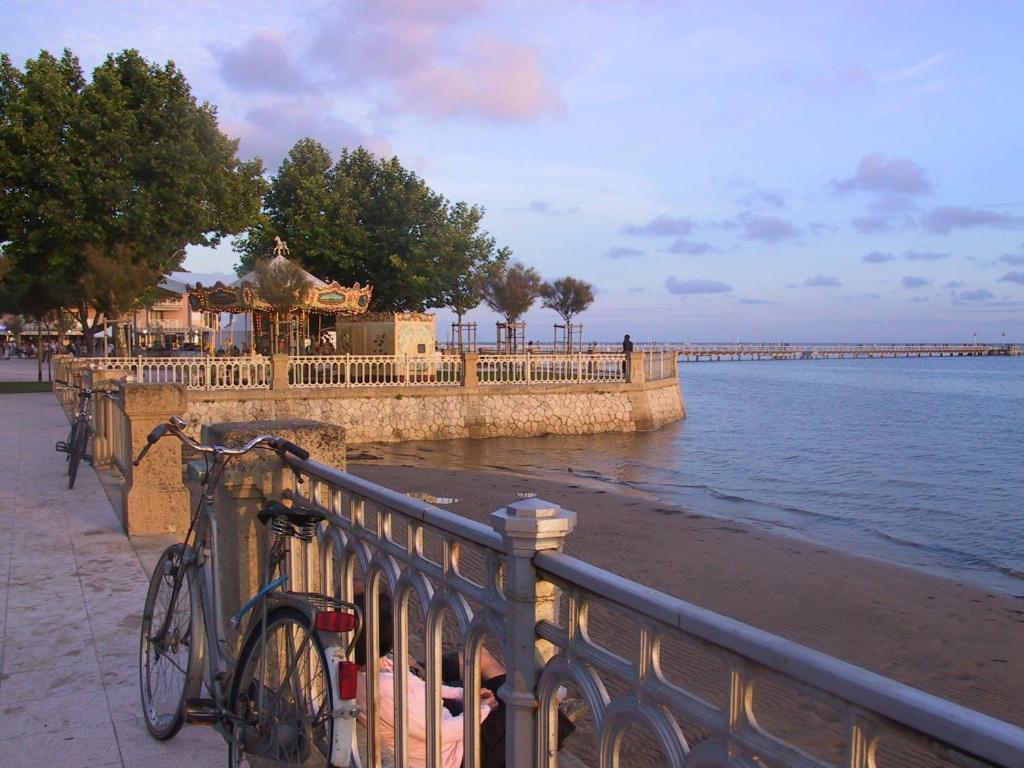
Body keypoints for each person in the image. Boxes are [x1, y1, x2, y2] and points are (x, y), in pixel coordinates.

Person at [354, 593, 575, 768]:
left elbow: (424, 689)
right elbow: (440, 732)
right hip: (458, 754)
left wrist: (466, 695)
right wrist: (481, 710)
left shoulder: (379, 668)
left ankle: (551, 700)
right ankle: (552, 702)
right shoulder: (383, 687)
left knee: (520, 703)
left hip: (452, 732)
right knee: (534, 713)